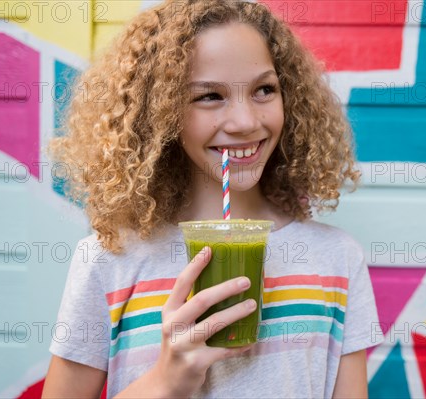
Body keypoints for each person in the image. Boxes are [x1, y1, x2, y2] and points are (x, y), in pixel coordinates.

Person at [42, 0, 383, 397]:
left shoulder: (337, 259)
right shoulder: (108, 260)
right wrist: (165, 381)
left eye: (264, 90)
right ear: (161, 111)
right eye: (209, 96)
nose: (245, 122)